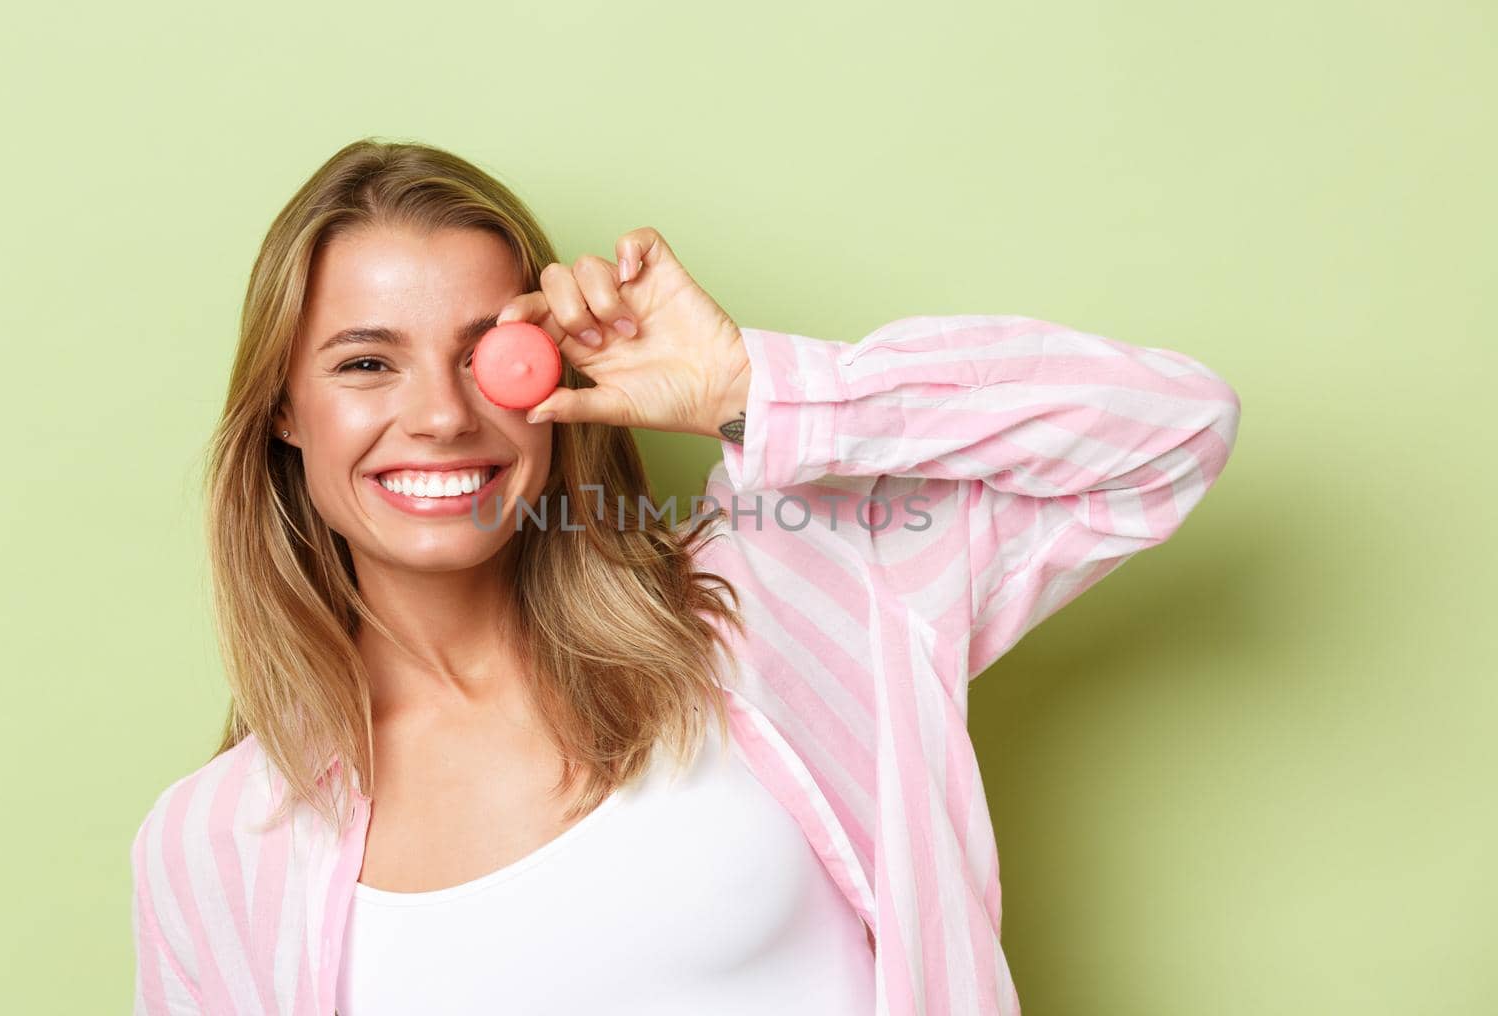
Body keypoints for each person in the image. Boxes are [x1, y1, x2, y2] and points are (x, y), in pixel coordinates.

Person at [129, 138, 1241, 1016]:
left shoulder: (780, 589)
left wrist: (748, 384)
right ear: (284, 408)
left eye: (485, 356)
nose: (439, 414)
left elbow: (1166, 439)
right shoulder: (217, 843)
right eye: (367, 361)